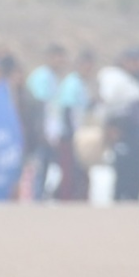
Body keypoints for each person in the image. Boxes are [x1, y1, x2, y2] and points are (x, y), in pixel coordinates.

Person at [98, 48, 139, 202]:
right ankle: (120, 196)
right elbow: (108, 103)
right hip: (123, 129)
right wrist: (110, 127)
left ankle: (134, 196)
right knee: (123, 164)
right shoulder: (114, 78)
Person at [26, 44, 67, 200]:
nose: (60, 61)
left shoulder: (54, 78)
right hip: (40, 131)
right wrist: (43, 131)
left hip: (50, 131)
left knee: (48, 165)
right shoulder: (42, 76)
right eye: (58, 57)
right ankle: (34, 197)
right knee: (39, 164)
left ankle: (41, 195)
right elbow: (41, 107)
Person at [53, 50, 95, 200]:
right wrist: (73, 135)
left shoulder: (82, 84)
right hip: (69, 135)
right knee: (69, 171)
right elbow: (68, 111)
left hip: (79, 134)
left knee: (80, 172)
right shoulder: (72, 83)